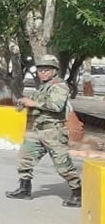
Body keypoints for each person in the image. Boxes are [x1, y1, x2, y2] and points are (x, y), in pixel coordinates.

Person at [6, 54, 82, 207]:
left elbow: (56, 106)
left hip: (53, 132)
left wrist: (33, 103)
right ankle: (24, 189)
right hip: (37, 130)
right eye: (40, 70)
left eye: (46, 70)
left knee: (63, 166)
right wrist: (25, 103)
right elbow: (37, 103)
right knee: (24, 158)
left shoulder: (59, 86)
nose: (42, 73)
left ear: (54, 71)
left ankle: (78, 193)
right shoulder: (43, 86)